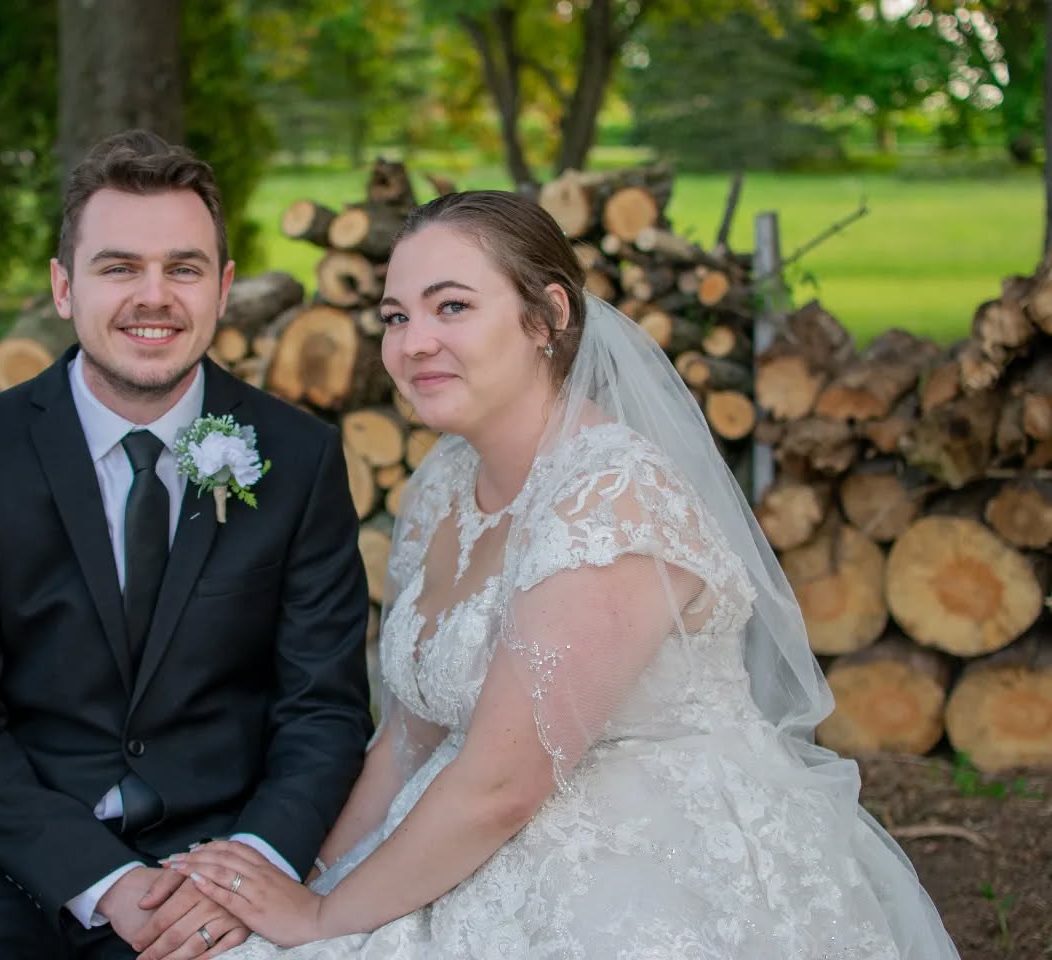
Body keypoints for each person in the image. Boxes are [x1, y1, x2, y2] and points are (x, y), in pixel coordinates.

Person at [168, 190, 962, 959]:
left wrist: (323, 917)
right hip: (456, 830)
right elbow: (406, 740)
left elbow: (502, 787)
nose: (413, 344)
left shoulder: (612, 499)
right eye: (396, 317)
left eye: (452, 307)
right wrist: (314, 876)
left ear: (546, 317)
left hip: (629, 865)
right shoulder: (445, 484)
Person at [0, 130, 374, 960]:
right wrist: (104, 881)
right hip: (14, 847)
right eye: (119, 268)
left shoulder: (299, 457)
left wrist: (253, 865)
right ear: (64, 287)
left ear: (223, 288)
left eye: (183, 269)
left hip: (217, 850)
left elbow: (323, 709)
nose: (153, 297)